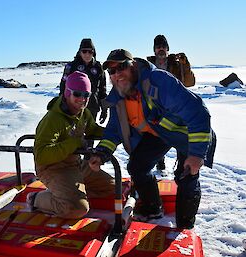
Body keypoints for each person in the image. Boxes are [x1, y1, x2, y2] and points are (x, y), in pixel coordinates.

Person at [89, 49, 216, 229]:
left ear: (132, 66)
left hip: (188, 133)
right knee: (137, 166)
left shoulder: (159, 81)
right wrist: (102, 152)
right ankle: (152, 209)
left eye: (121, 67)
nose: (117, 74)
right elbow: (114, 129)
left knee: (187, 175)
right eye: (111, 71)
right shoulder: (119, 95)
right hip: (160, 133)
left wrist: (196, 154)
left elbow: (198, 113)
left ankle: (184, 227)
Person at [29, 71, 115, 219]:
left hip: (76, 164)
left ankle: (71, 193)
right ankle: (36, 199)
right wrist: (74, 143)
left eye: (86, 95)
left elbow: (92, 129)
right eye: (77, 94)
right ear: (68, 93)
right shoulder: (52, 120)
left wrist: (114, 133)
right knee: (76, 209)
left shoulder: (83, 113)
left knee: (113, 187)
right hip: (53, 168)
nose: (82, 99)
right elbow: (42, 155)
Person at [147, 35, 196, 171]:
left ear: (168, 49)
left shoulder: (177, 65)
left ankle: (182, 168)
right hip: (156, 107)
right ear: (154, 50)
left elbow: (190, 83)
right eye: (158, 47)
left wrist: (185, 65)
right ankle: (159, 162)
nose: (161, 49)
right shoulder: (149, 66)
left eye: (163, 46)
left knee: (181, 137)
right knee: (156, 135)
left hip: (177, 108)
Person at [59, 38, 108, 123]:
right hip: (74, 106)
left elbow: (102, 89)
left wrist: (104, 109)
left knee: (90, 133)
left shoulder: (99, 67)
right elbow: (63, 86)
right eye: (84, 51)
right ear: (80, 52)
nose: (87, 54)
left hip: (92, 106)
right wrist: (62, 104)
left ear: (94, 52)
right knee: (74, 133)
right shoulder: (71, 66)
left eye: (90, 52)